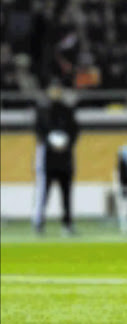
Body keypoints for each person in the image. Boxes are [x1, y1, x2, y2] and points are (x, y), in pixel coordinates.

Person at [32, 81, 79, 236]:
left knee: (66, 194)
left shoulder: (68, 111)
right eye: (53, 90)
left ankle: (67, 224)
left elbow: (75, 131)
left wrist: (67, 143)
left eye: (58, 90)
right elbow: (38, 131)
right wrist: (49, 142)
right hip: (48, 159)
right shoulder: (42, 111)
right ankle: (39, 223)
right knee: (43, 192)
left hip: (65, 159)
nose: (56, 93)